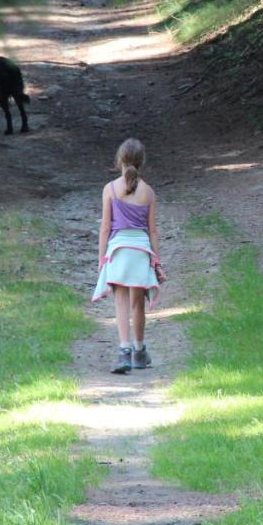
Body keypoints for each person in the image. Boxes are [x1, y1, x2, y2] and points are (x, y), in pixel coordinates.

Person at [92, 138, 164, 374]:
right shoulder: (149, 193)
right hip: (141, 251)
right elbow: (152, 230)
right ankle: (139, 352)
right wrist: (156, 260)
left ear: (119, 161)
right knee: (137, 304)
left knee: (120, 302)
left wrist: (102, 258)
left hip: (118, 250)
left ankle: (123, 351)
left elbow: (105, 228)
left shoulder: (110, 189)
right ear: (142, 162)